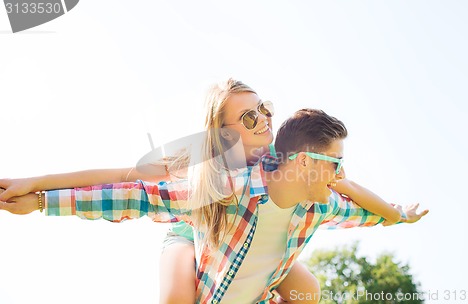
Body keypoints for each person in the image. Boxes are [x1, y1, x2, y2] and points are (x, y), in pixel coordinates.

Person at [0, 107, 428, 303]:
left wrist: (400, 215)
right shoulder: (223, 187)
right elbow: (132, 191)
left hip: (255, 293)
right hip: (200, 267)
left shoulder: (323, 205)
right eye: (334, 163)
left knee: (308, 292)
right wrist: (40, 198)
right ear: (301, 162)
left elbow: (367, 211)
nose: (341, 176)